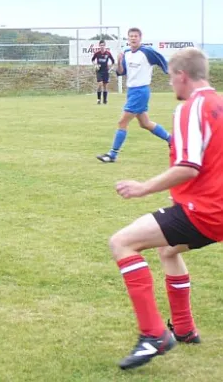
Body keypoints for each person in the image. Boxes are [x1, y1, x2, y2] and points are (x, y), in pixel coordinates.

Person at [110, 47, 223, 370]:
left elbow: (188, 166)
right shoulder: (220, 104)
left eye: (171, 77)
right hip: (218, 211)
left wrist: (143, 187)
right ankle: (184, 328)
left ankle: (153, 334)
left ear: (182, 76)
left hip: (203, 212)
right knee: (169, 250)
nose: (171, 84)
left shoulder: (191, 109)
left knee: (122, 242)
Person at [96, 28, 171, 163]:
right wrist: (119, 61)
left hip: (140, 91)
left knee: (122, 122)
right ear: (128, 38)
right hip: (132, 91)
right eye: (131, 36)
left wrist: (170, 72)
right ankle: (171, 140)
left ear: (140, 38)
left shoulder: (147, 52)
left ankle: (112, 154)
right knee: (145, 123)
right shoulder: (126, 53)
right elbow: (121, 72)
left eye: (136, 36)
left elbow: (161, 60)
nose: (133, 38)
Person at [91, 39, 115, 104]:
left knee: (105, 85)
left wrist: (111, 68)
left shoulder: (108, 53)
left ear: (105, 46)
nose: (102, 46)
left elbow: (113, 61)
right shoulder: (97, 53)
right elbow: (92, 60)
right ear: (99, 46)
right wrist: (95, 65)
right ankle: (98, 99)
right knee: (100, 84)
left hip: (106, 71)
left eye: (103, 45)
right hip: (99, 71)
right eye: (101, 45)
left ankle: (105, 100)